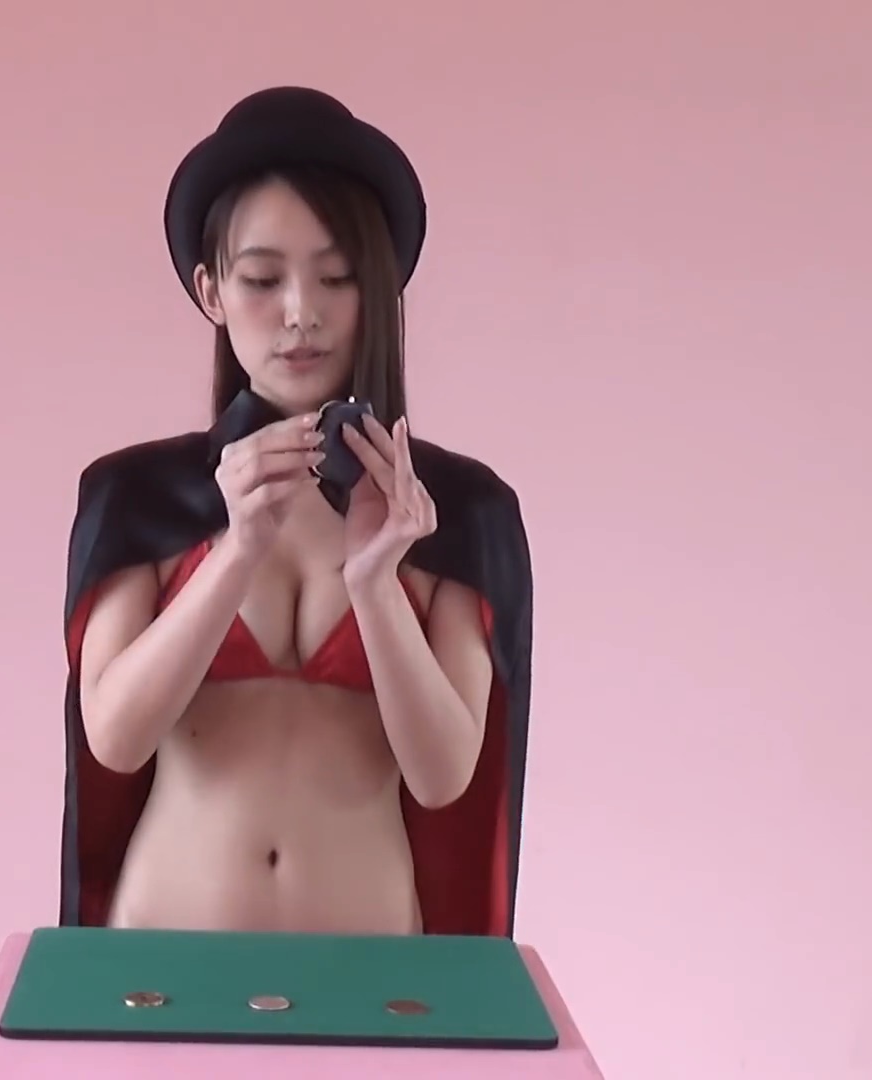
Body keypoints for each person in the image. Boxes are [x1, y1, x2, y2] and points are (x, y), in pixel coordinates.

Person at [57, 86, 536, 938]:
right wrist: (237, 550)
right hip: (159, 970)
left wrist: (376, 581)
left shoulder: (451, 511)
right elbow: (115, 738)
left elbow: (444, 779)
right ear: (210, 290)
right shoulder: (140, 496)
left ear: (375, 289)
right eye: (262, 278)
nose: (300, 313)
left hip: (374, 979)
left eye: (337, 276)